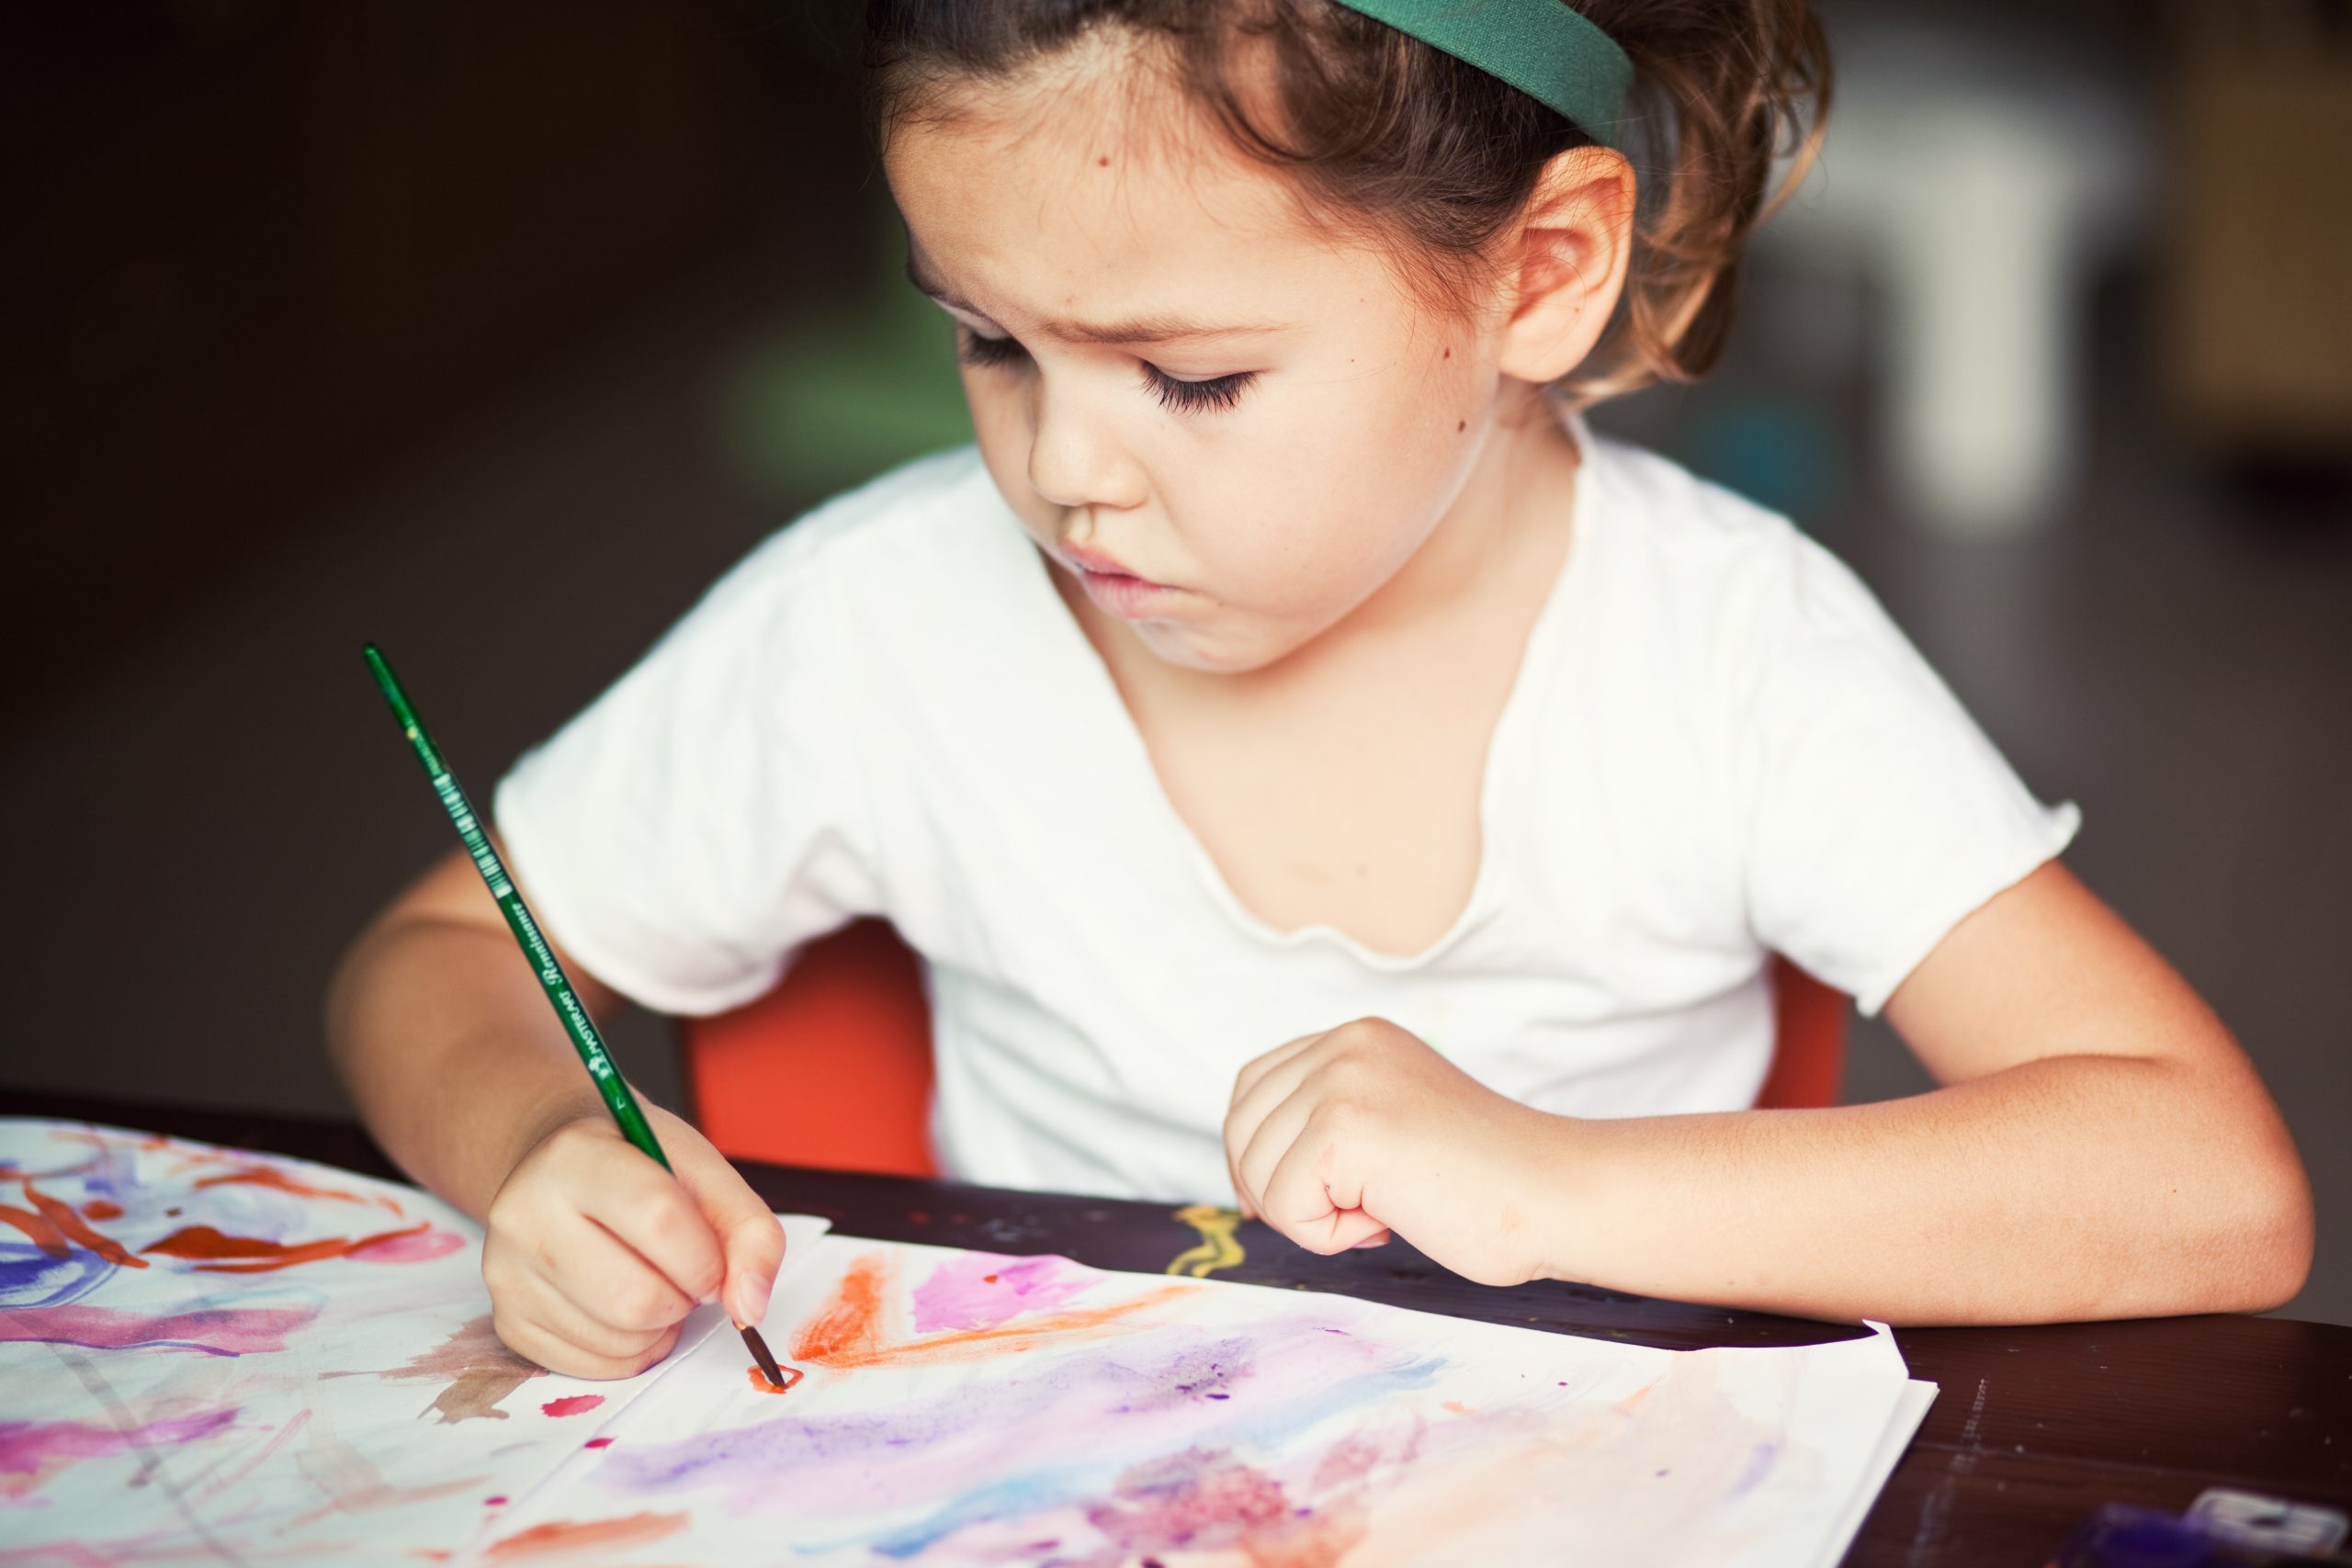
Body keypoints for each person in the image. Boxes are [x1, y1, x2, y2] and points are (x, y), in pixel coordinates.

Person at [326, 0, 2313, 1381]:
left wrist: (1547, 1178)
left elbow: (2202, 1184)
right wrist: (529, 1149)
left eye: (1187, 374)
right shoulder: (879, 619)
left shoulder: (1722, 656)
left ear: (1535, 275)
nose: (1065, 472)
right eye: (988, 343)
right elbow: (433, 956)